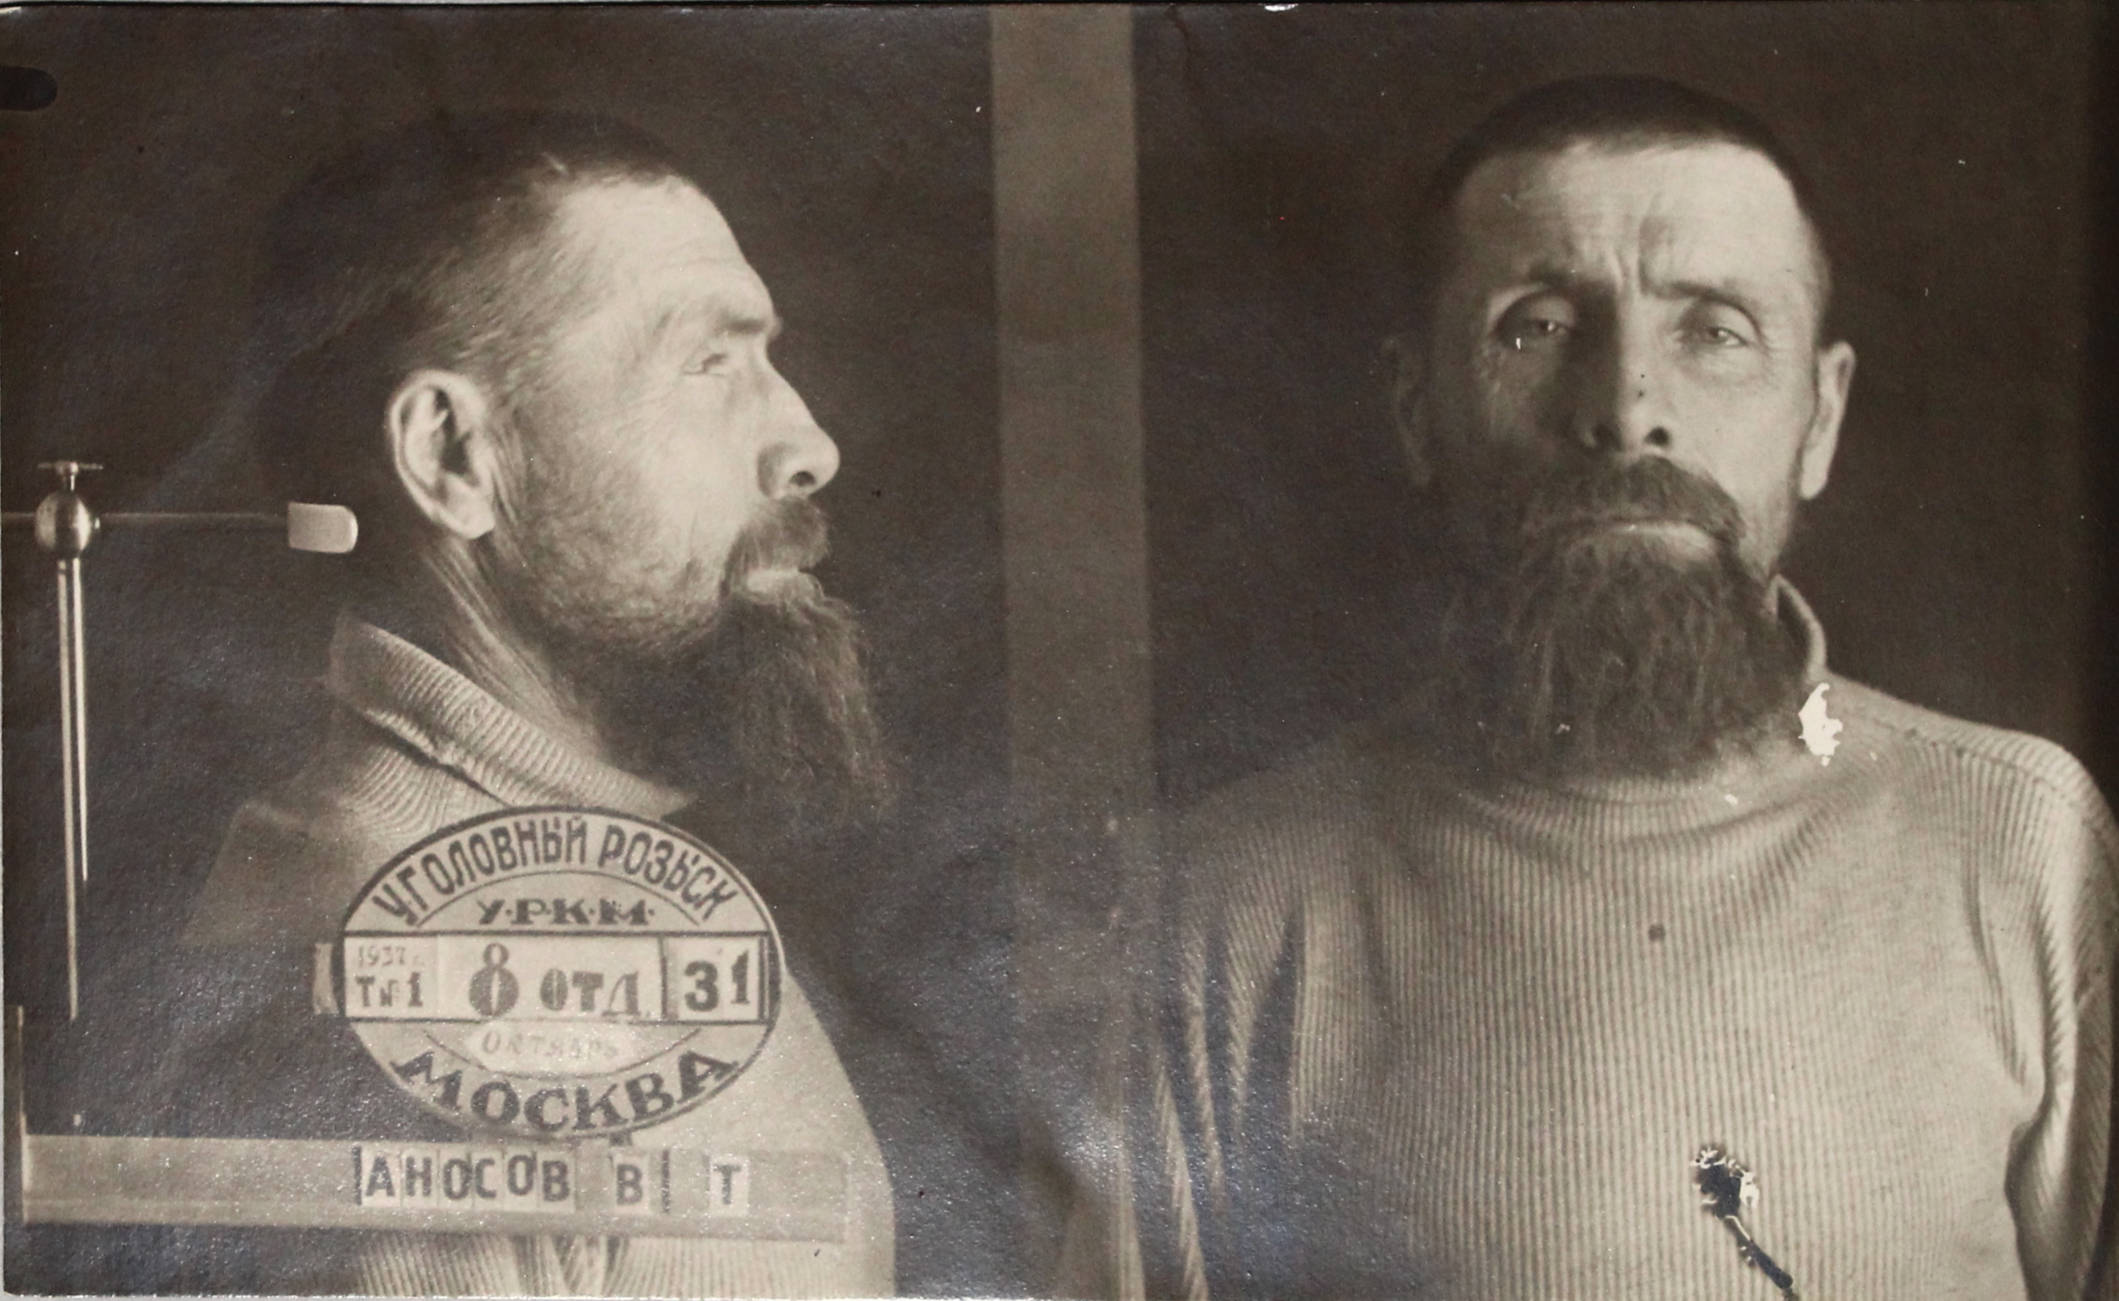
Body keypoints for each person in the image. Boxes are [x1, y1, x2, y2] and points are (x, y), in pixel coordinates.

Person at [1072, 76, 2116, 1299]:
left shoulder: (2022, 843)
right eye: (1538, 326)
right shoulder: (1228, 908)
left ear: (1819, 415)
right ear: (1414, 409)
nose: (1625, 411)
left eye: (1714, 331)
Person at [169, 111, 896, 1295]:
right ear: (455, 458)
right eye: (708, 364)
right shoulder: (427, 961)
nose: (806, 442)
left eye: (767, 358)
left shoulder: (568, 881)